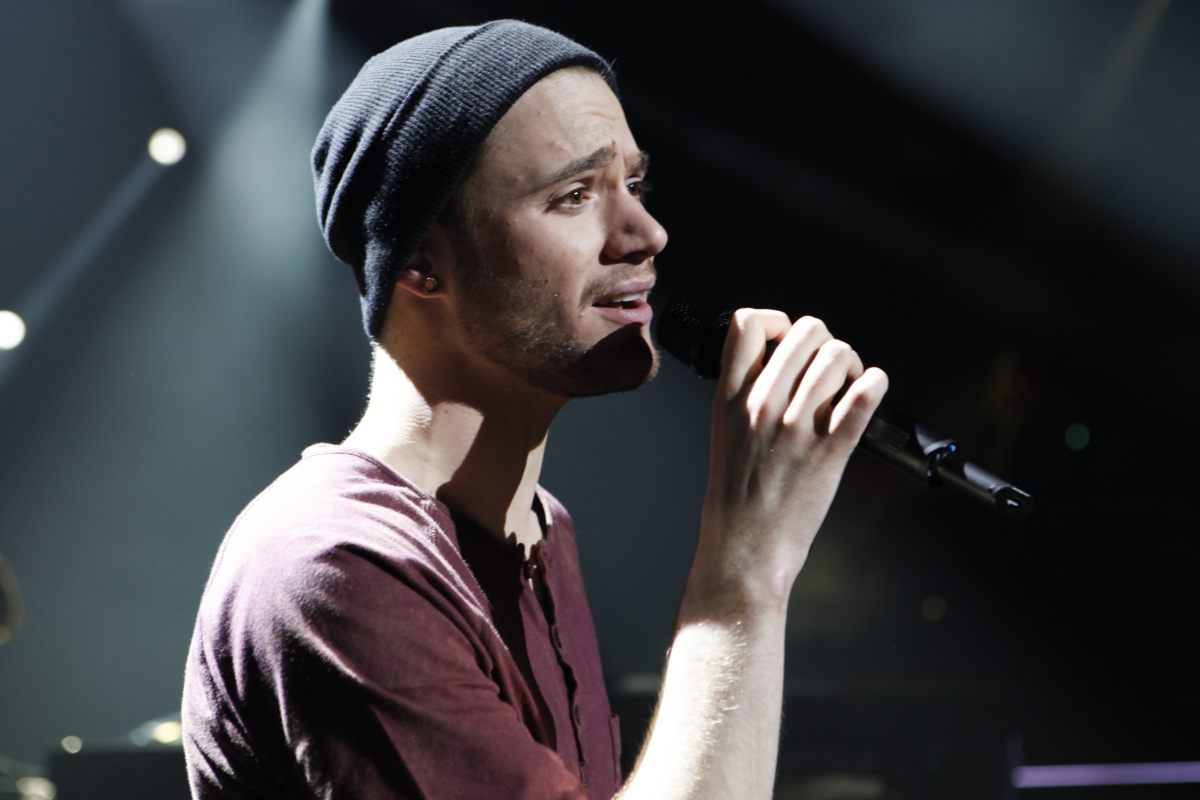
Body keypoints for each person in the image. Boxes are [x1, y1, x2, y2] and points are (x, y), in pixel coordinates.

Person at [181, 19, 888, 800]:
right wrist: (744, 570)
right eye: (574, 196)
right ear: (419, 262)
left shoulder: (540, 530)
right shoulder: (339, 567)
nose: (647, 234)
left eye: (634, 186)